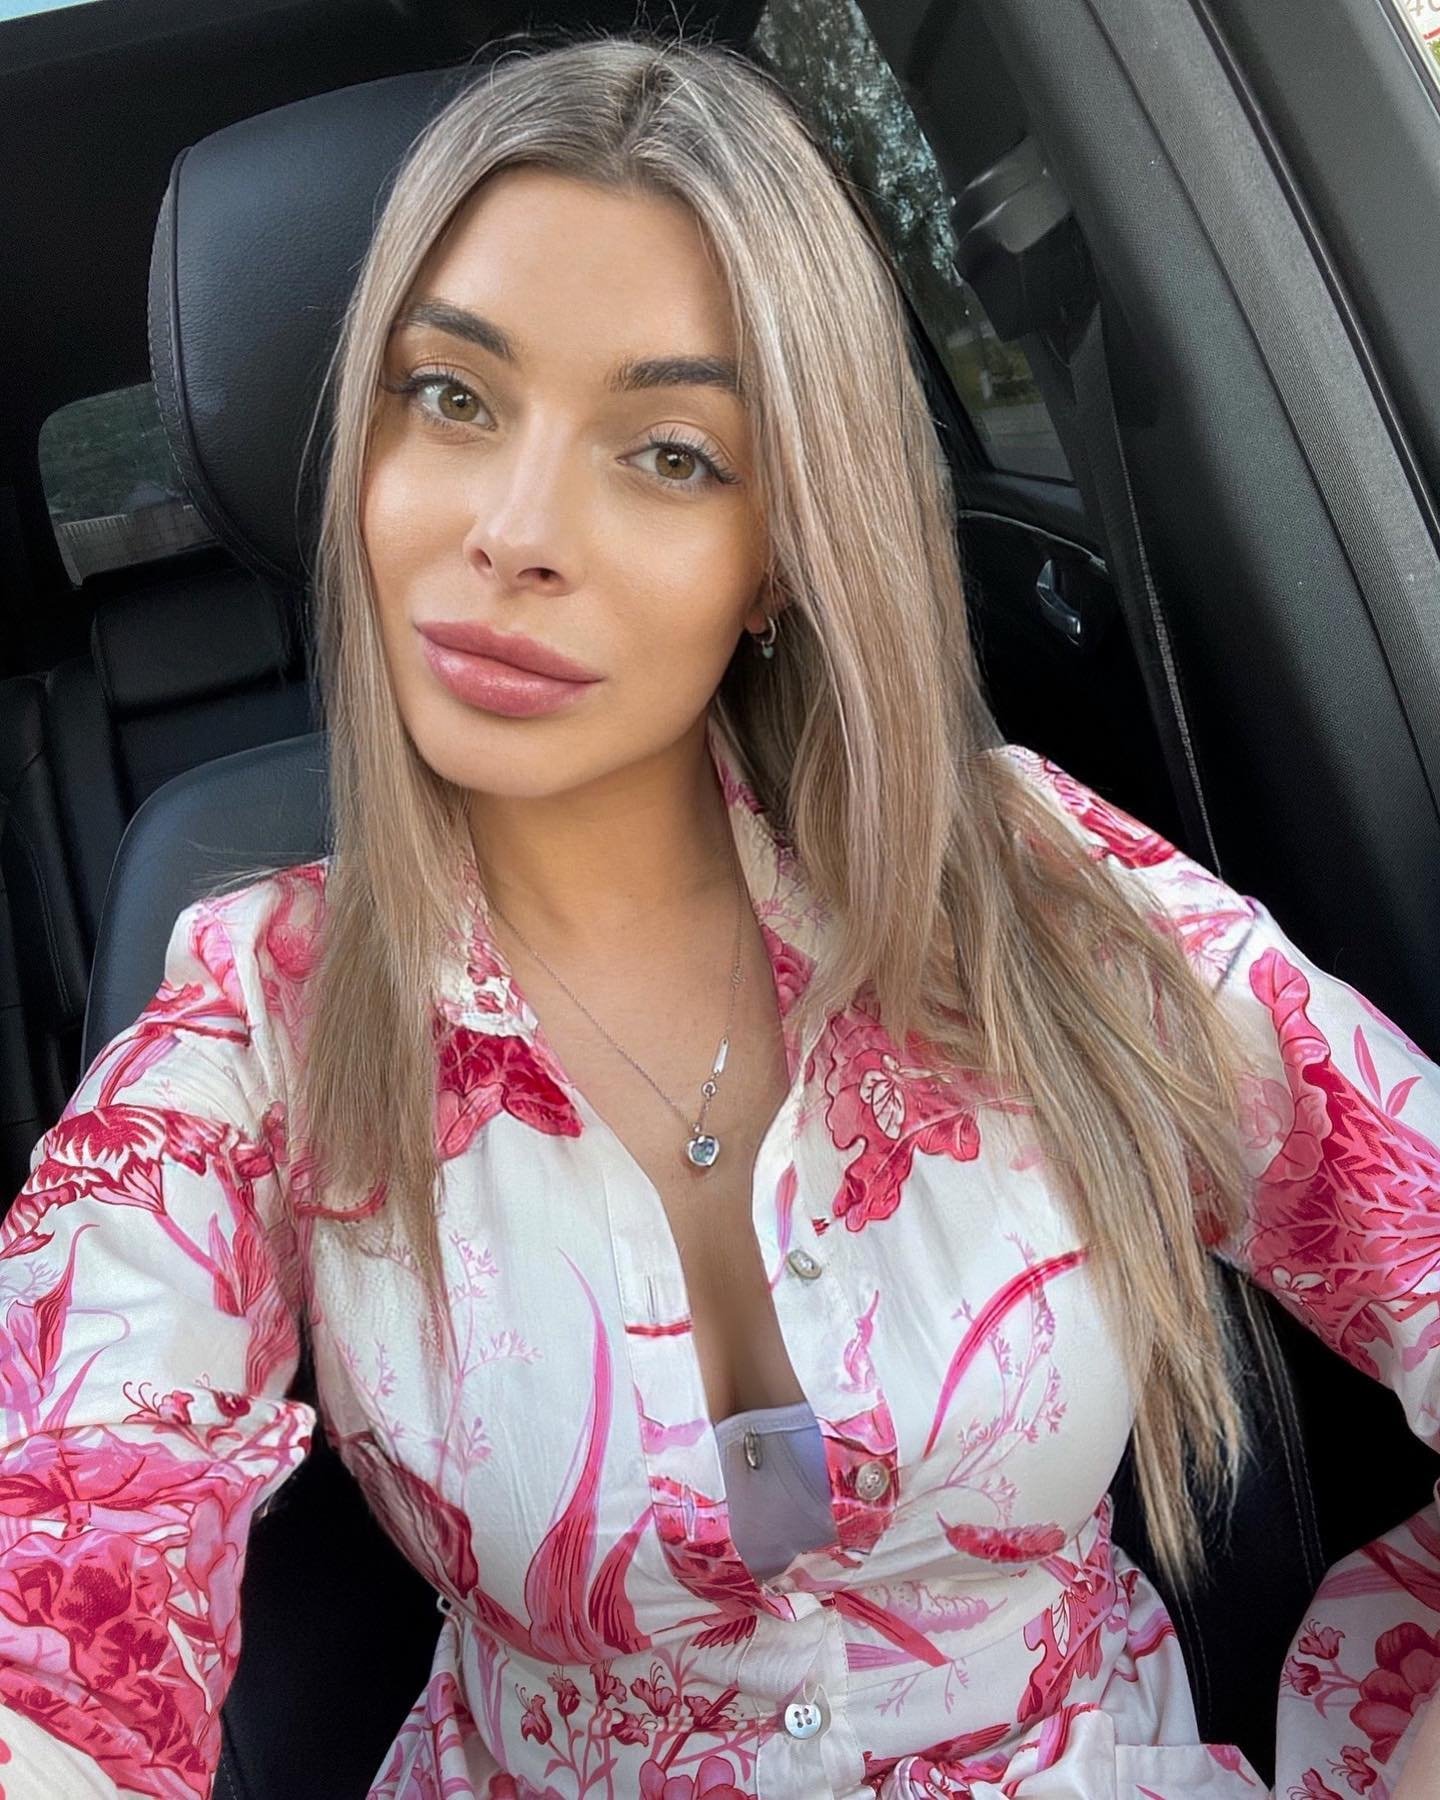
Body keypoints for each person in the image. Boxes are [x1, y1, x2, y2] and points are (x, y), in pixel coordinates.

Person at [0, 30, 1437, 1800]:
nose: (516, 529)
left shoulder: (1020, 885)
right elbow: (58, 1569)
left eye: (672, 452)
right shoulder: (256, 1025)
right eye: (451, 397)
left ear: (777, 554)